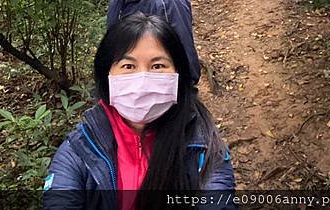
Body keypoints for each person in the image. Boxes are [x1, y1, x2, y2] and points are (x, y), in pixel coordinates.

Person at [43, 13, 235, 210]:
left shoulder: (203, 147)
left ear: (179, 74)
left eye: (158, 66)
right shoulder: (79, 149)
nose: (142, 78)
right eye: (128, 66)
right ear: (106, 75)